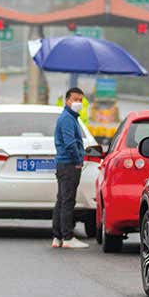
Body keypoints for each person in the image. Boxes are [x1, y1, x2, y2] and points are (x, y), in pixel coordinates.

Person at [51, 87, 88, 249]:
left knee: (61, 201)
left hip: (64, 164)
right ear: (67, 101)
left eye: (80, 100)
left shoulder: (70, 117)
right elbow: (70, 143)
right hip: (69, 164)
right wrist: (78, 159)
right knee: (67, 201)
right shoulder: (67, 118)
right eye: (75, 99)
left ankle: (57, 237)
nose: (78, 103)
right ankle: (67, 237)